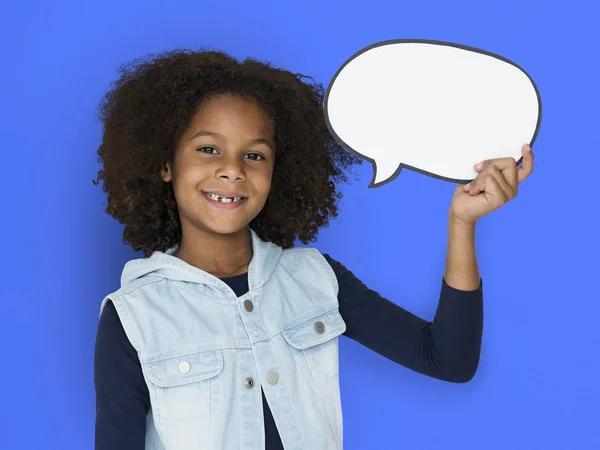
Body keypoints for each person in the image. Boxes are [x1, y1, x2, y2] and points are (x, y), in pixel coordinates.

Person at [93, 49, 534, 450]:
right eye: (209, 149)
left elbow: (449, 360)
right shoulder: (133, 317)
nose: (232, 171)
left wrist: (462, 222)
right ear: (166, 164)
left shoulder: (316, 279)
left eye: (255, 155)